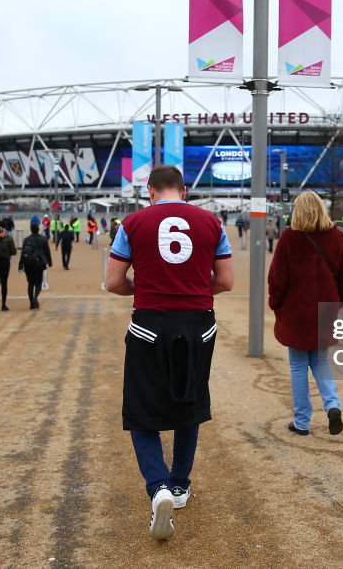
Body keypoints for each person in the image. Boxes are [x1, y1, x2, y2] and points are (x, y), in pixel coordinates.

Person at [105, 165, 234, 541]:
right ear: (184, 189)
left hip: (149, 324)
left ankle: (157, 484)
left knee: (141, 407)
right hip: (199, 325)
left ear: (150, 191)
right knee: (188, 400)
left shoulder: (132, 223)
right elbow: (225, 281)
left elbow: (113, 282)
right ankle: (179, 485)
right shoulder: (212, 222)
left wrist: (145, 284)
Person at [267, 190, 343, 437]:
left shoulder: (288, 238)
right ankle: (332, 405)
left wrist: (276, 303)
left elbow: (277, 279)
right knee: (320, 361)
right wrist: (339, 301)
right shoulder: (336, 236)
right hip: (325, 307)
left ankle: (302, 421)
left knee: (297, 365)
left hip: (295, 309)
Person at [20, 215, 53, 309]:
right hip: (39, 263)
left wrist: (20, 264)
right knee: (38, 283)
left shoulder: (26, 240)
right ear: (38, 229)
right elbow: (47, 252)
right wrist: (50, 262)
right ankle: (35, 297)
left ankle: (31, 302)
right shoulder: (43, 239)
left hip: (28, 263)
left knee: (30, 283)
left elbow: (23, 253)